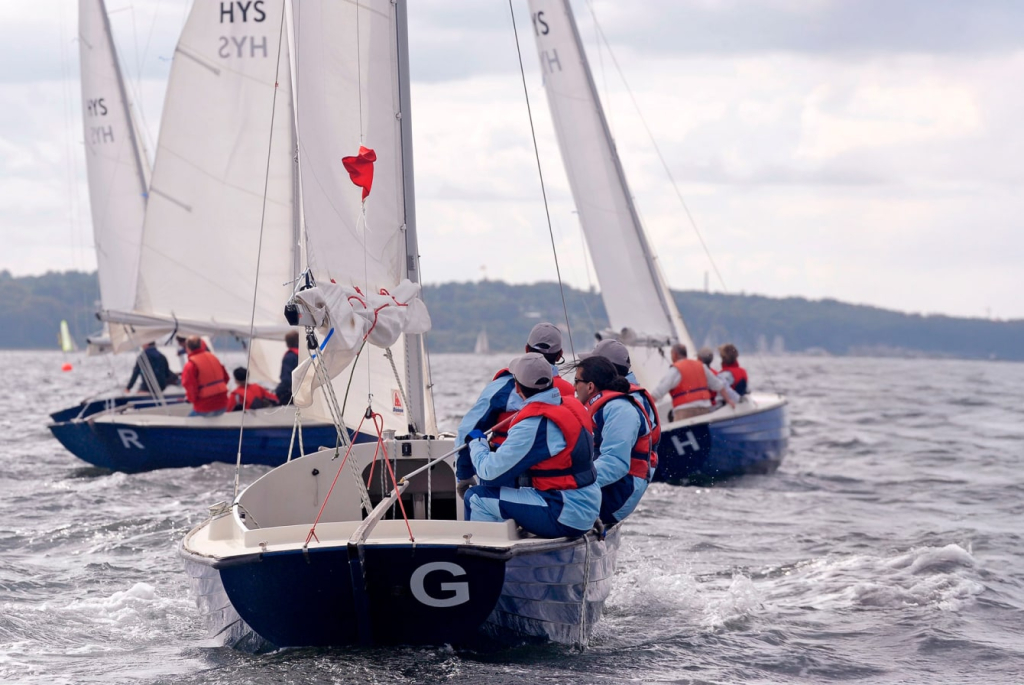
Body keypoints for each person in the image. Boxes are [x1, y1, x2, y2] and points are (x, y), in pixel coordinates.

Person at [463, 353, 600, 538]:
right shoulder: (574, 406)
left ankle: (484, 552)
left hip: (563, 512)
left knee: (476, 497)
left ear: (517, 387)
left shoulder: (534, 424)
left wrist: (478, 443)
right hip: (588, 505)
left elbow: (489, 472)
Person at [454, 322, 576, 495]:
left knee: (475, 498)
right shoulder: (569, 392)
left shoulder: (505, 385)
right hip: (552, 481)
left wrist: (464, 475)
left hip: (506, 473)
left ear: (526, 349)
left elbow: (469, 429)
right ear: (560, 355)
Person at [574, 356, 655, 526]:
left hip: (620, 491)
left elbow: (615, 463)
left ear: (590, 386)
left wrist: (573, 481)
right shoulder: (600, 407)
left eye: (576, 381)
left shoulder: (620, 410)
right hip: (604, 485)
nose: (573, 387)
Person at [582, 339, 661, 469]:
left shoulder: (623, 404)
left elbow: (615, 460)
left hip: (625, 475)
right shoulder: (616, 397)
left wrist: (582, 479)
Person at [652, 343, 738, 420]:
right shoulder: (701, 366)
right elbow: (719, 385)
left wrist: (647, 407)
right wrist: (729, 400)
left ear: (674, 355)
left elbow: (658, 392)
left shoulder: (676, 370)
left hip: (684, 411)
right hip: (704, 409)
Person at [180, 336, 229, 416]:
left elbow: (191, 387)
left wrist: (190, 399)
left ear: (187, 348)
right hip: (223, 403)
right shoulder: (214, 358)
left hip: (204, 407)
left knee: (188, 421)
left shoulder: (191, 365)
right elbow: (226, 378)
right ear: (201, 345)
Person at [275, 331, 300, 406]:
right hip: (301, 390)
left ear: (288, 343)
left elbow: (286, 379)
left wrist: (279, 391)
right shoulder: (303, 353)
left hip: (290, 393)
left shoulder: (290, 356)